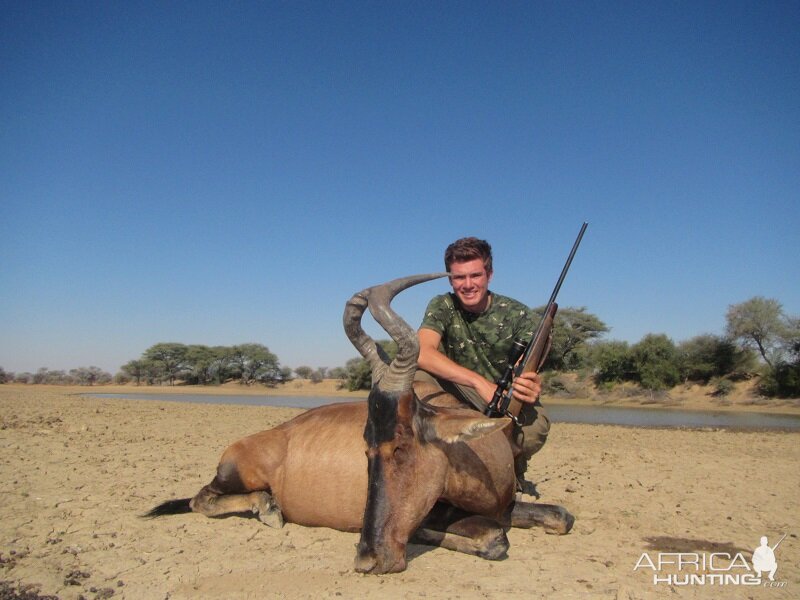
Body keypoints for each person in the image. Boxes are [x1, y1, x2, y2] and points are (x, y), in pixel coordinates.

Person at [415, 236, 550, 493]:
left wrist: (529, 387)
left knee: (535, 429)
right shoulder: (442, 305)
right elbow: (423, 352)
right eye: (459, 277)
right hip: (459, 391)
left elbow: (527, 371)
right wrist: (478, 382)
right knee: (416, 379)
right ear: (450, 279)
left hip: (501, 399)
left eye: (475, 275)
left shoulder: (518, 315)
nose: (467, 285)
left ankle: (513, 466)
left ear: (489, 274)